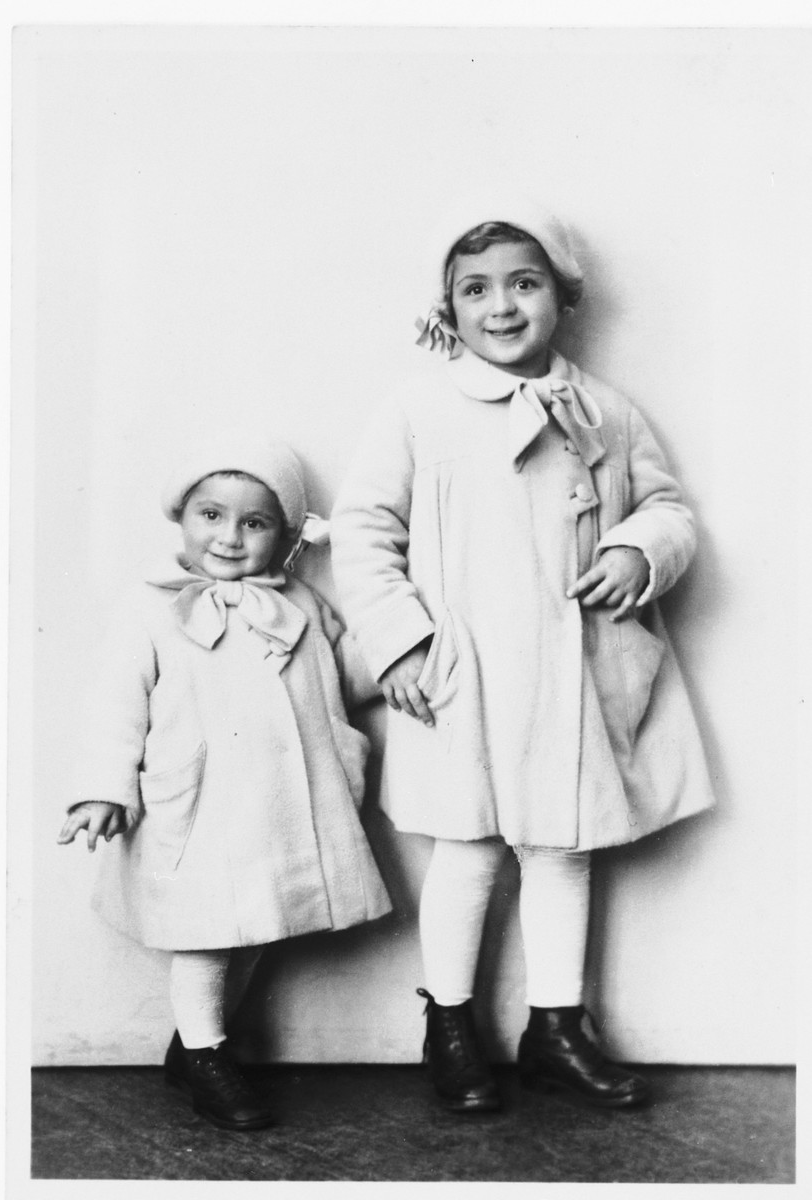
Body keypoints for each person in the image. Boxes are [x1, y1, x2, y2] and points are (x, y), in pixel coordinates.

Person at [330, 198, 715, 1114]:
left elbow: (668, 510)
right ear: (448, 310)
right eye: (476, 290)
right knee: (465, 850)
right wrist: (402, 642)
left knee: (560, 847)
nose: (502, 307)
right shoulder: (421, 408)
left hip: (572, 670)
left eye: (524, 283)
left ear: (563, 296)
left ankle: (556, 1027)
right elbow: (362, 527)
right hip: (459, 670)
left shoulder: (608, 411)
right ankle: (451, 1025)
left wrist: (640, 549)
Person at [58, 430, 391, 1130]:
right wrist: (103, 787)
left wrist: (396, 631)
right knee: (208, 931)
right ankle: (207, 1054)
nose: (231, 538)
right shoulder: (152, 607)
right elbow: (115, 703)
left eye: (255, 522)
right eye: (212, 515)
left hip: (285, 809)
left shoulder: (301, 603)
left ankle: (194, 1045)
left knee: (260, 926)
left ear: (288, 535)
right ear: (181, 516)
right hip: (203, 806)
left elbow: (353, 675)